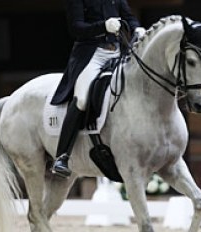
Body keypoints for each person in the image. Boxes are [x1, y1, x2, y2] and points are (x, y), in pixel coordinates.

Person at [51, 0, 145, 178]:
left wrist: (136, 28)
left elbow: (128, 17)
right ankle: (62, 156)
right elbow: (76, 28)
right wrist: (103, 27)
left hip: (118, 52)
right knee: (82, 98)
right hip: (92, 55)